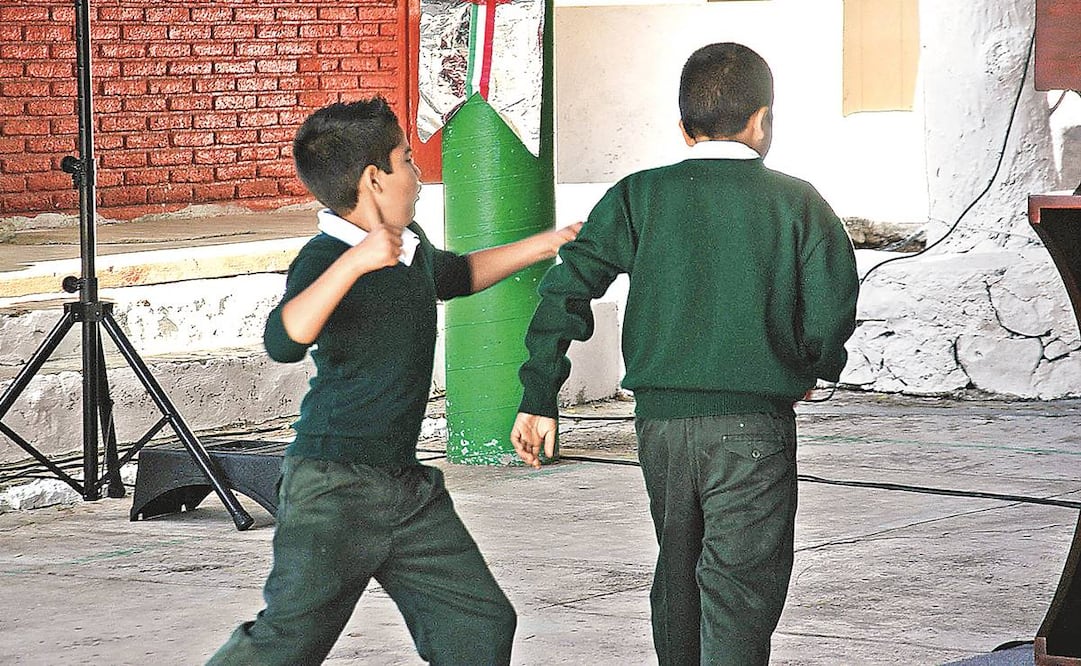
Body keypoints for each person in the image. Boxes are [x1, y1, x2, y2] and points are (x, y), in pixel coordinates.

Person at [510, 43, 859, 665]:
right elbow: (833, 306)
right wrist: (811, 366)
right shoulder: (798, 201)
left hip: (660, 426)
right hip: (753, 426)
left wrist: (540, 395)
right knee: (740, 588)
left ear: (683, 127)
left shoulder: (638, 195)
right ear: (762, 121)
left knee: (678, 569)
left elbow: (566, 286)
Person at [208, 96, 579, 666]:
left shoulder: (413, 246)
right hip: (333, 486)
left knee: (479, 624)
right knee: (287, 643)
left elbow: (459, 275)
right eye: (408, 159)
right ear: (374, 179)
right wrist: (354, 263)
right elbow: (284, 340)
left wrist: (550, 242)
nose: (419, 173)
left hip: (406, 490)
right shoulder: (325, 255)